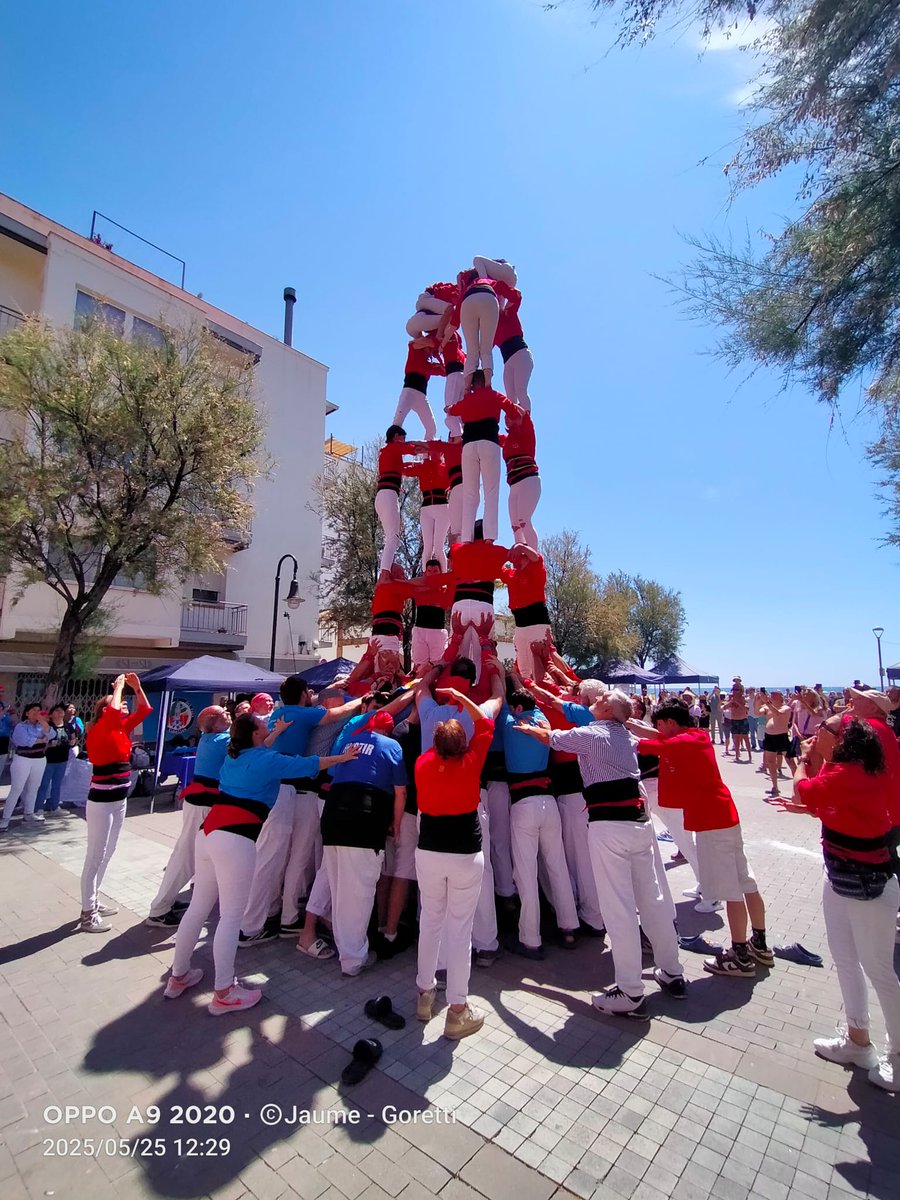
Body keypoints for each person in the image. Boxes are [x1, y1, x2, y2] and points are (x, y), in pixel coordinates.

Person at [165, 714, 360, 1012]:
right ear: (255, 734)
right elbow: (309, 764)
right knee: (231, 917)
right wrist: (344, 756)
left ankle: (178, 976)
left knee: (199, 907)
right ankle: (225, 991)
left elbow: (261, 751)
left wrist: (275, 733)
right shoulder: (268, 760)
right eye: (262, 724)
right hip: (236, 839)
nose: (266, 725)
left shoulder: (236, 755)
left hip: (208, 834)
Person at [518, 688, 686, 1016]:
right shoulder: (626, 734)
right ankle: (672, 971)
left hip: (610, 825)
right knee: (651, 900)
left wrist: (527, 728)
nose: (589, 703)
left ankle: (630, 990)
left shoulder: (593, 734)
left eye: (596, 700)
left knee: (618, 907)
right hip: (638, 824)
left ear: (607, 707)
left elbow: (552, 738)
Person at [778, 719, 900, 1091]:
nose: (815, 734)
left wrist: (801, 761)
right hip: (842, 878)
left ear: (843, 741)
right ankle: (858, 1041)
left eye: (824, 729)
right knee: (846, 960)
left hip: (866, 886)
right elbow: (833, 805)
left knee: (879, 970)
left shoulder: (850, 772)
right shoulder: (851, 769)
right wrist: (812, 805)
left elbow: (804, 789)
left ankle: (898, 1057)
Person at [632, 700, 772, 976]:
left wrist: (620, 728)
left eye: (660, 725)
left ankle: (739, 954)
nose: (658, 729)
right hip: (724, 816)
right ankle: (760, 943)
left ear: (671, 723)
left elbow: (647, 744)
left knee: (732, 891)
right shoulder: (695, 737)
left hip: (712, 823)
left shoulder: (682, 743)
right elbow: (656, 736)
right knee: (746, 882)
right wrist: (630, 723)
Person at [239, 675, 362, 945]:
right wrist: (366, 699)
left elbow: (315, 702)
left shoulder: (284, 711)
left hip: (277, 789)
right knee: (291, 856)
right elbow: (335, 712)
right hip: (293, 787)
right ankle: (254, 924)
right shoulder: (304, 714)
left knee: (274, 855)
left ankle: (272, 914)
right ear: (304, 695)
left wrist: (331, 688)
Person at [415, 684, 496, 1039]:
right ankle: (458, 1008)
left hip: (429, 850)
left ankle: (424, 992)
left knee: (429, 921)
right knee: (459, 930)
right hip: (464, 852)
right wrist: (462, 699)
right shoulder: (472, 760)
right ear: (463, 745)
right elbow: (486, 725)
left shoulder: (422, 763)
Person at [320, 710, 407, 976]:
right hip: (363, 820)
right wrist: (397, 825)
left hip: (333, 816)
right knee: (359, 892)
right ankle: (353, 959)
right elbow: (400, 792)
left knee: (339, 888)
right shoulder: (392, 745)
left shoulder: (351, 743)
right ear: (388, 730)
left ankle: (347, 948)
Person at [501, 690, 579, 958]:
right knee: (557, 866)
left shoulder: (511, 724)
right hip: (549, 803)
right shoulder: (544, 720)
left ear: (518, 706)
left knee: (525, 872)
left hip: (523, 804)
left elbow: (499, 699)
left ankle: (530, 938)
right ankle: (569, 927)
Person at [146, 705, 232, 928]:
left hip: (199, 802)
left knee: (188, 853)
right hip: (203, 804)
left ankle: (167, 902)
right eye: (224, 714)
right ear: (214, 722)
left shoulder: (208, 738)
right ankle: (159, 910)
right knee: (186, 856)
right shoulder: (220, 740)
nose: (229, 714)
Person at [79, 674, 152, 932]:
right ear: (104, 710)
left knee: (108, 852)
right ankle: (88, 913)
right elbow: (112, 710)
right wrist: (118, 686)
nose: (122, 705)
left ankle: (95, 899)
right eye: (117, 703)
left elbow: (145, 708)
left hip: (119, 799)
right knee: (95, 856)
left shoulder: (121, 727)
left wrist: (136, 687)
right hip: (101, 801)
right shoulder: (100, 728)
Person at [446, 370, 520, 544]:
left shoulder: (466, 400)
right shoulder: (495, 395)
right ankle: (488, 537)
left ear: (472, 384)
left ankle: (466, 538)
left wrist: (464, 394)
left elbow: (450, 410)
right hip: (489, 443)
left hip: (469, 445)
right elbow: (513, 411)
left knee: (470, 493)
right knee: (491, 492)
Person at [374, 425, 419, 578]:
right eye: (402, 439)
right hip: (388, 494)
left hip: (383, 495)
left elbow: (404, 467)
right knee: (393, 537)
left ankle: (386, 569)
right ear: (396, 437)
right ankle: (385, 573)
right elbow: (412, 449)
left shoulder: (387, 453)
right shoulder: (393, 448)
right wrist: (428, 445)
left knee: (391, 537)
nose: (404, 442)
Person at [501, 544, 551, 681]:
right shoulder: (511, 574)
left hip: (537, 622)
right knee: (523, 666)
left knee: (540, 662)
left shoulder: (536, 568)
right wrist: (506, 553)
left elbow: (536, 557)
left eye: (520, 556)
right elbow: (497, 568)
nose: (516, 560)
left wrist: (520, 547)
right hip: (520, 624)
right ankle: (529, 693)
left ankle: (545, 693)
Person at [0, 702, 51, 830]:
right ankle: (5, 818)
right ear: (27, 713)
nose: (36, 713)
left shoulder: (41, 726)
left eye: (38, 711)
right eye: (33, 710)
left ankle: (29, 813)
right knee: (17, 788)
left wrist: (43, 723)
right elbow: (25, 741)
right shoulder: (21, 727)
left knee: (34, 787)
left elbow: (52, 735)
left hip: (39, 759)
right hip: (23, 759)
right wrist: (40, 740)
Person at [500, 404, 541, 549]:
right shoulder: (506, 439)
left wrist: (509, 404)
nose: (506, 419)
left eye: (510, 416)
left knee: (524, 520)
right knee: (515, 525)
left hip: (528, 480)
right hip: (513, 485)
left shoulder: (526, 430)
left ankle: (533, 555)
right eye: (504, 417)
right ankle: (520, 556)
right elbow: (488, 437)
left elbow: (525, 415)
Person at [404, 446, 451, 570]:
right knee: (428, 546)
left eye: (436, 450)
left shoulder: (446, 467)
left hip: (442, 507)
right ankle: (425, 575)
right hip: (426, 507)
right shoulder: (424, 466)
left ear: (441, 452)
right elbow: (406, 470)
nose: (434, 453)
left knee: (439, 546)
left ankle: (443, 578)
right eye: (431, 450)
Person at [392, 338, 443, 441]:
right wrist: (434, 345)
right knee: (397, 421)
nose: (431, 354)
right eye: (430, 350)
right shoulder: (414, 352)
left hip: (422, 397)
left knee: (431, 427)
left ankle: (426, 455)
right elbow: (412, 343)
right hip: (408, 393)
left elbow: (446, 370)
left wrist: (438, 356)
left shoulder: (431, 365)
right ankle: (392, 448)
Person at [493, 281, 533, 412]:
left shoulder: (508, 313)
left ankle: (526, 421)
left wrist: (497, 285)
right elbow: (484, 348)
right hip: (508, 361)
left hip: (521, 354)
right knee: (510, 398)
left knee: (521, 390)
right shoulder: (492, 327)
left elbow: (517, 296)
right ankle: (514, 424)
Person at [411, 560, 453, 671]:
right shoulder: (418, 588)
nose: (432, 573)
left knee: (437, 665)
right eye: (429, 571)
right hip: (419, 630)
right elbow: (408, 584)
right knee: (419, 665)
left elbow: (453, 581)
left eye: (435, 571)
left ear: (440, 572)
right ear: (425, 573)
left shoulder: (445, 590)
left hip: (437, 631)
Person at [34, 704, 77, 815]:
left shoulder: (68, 726)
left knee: (57, 784)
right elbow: (41, 741)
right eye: (57, 711)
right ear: (51, 714)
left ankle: (54, 806)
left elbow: (73, 737)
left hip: (62, 759)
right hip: (49, 760)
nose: (60, 713)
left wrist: (73, 742)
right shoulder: (49, 726)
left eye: (61, 711)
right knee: (44, 784)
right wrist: (49, 744)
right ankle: (38, 808)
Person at [756, 690, 797, 798]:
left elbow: (778, 714)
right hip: (769, 737)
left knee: (790, 761)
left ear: (781, 697)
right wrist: (757, 701)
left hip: (781, 737)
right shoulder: (767, 707)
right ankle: (775, 787)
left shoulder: (786, 708)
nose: (772, 696)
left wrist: (767, 703)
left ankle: (798, 787)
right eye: (771, 694)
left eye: (775, 695)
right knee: (770, 762)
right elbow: (757, 713)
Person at [724, 684, 752, 764]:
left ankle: (750, 755)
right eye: (733, 690)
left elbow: (746, 709)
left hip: (743, 720)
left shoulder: (743, 699)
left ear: (741, 690)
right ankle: (737, 755)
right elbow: (723, 708)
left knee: (746, 739)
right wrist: (727, 702)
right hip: (734, 720)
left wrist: (737, 702)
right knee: (736, 740)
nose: (735, 691)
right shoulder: (731, 699)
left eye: (737, 690)